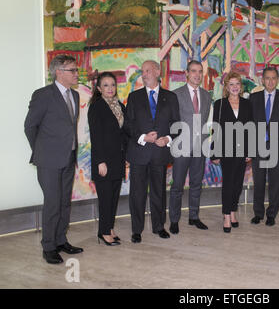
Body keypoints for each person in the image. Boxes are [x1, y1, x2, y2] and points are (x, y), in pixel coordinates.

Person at [24, 54, 83, 264]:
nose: (77, 73)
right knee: (52, 203)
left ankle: (60, 240)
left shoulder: (74, 96)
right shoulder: (43, 95)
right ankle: (48, 247)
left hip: (68, 157)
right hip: (48, 160)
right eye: (73, 70)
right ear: (59, 72)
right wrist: (42, 151)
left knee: (64, 202)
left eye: (76, 70)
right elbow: (30, 126)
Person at [125, 60, 180, 241]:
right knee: (137, 194)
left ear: (158, 72)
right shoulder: (134, 97)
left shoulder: (170, 97)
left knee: (159, 193)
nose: (144, 74)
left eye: (148, 70)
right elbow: (128, 126)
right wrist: (143, 138)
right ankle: (136, 230)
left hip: (160, 154)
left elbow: (176, 125)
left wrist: (167, 139)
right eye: (143, 71)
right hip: (139, 154)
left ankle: (158, 226)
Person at [169, 60, 212, 235]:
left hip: (200, 147)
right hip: (181, 147)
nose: (197, 75)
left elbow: (203, 121)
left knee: (196, 184)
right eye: (193, 71)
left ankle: (194, 216)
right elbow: (171, 120)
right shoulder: (175, 94)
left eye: (200, 72)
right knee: (177, 185)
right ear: (186, 73)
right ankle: (174, 220)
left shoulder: (207, 95)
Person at [88, 72, 128, 246]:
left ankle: (109, 228)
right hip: (104, 161)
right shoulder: (96, 107)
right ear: (99, 88)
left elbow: (124, 134)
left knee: (113, 198)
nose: (110, 88)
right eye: (105, 85)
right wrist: (100, 161)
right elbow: (96, 137)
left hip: (118, 160)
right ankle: (104, 232)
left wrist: (126, 157)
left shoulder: (119, 105)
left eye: (112, 85)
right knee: (105, 198)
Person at [250, 66, 279, 226]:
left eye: (273, 78)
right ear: (262, 80)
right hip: (258, 146)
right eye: (267, 78)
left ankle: (272, 214)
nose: (270, 81)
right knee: (259, 182)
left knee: (275, 182)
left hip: (276, 145)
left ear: (277, 80)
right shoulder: (254, 98)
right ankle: (258, 213)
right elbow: (251, 123)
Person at [210, 72, 252, 233]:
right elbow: (217, 129)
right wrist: (215, 152)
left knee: (237, 184)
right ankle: (226, 215)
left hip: (242, 150)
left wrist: (250, 150)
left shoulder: (247, 104)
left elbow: (251, 129)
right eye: (231, 84)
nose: (234, 87)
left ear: (240, 87)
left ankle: (233, 211)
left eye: (237, 84)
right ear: (226, 87)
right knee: (228, 184)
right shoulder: (219, 104)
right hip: (226, 149)